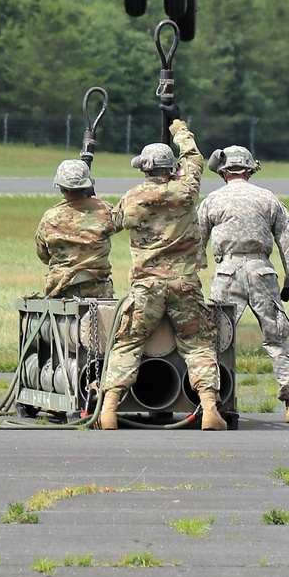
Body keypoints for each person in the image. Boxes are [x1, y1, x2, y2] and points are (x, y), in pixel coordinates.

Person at [98, 120, 225, 431]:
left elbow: (111, 225)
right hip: (185, 284)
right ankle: (209, 409)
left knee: (127, 343)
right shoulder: (187, 189)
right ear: (170, 168)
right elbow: (194, 158)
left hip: (146, 286)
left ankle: (109, 410)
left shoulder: (134, 197)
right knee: (198, 345)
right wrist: (179, 129)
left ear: (145, 169)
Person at [198, 145, 289, 424]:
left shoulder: (212, 200)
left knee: (216, 341)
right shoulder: (268, 199)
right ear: (249, 170)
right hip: (262, 273)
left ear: (223, 172)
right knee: (277, 339)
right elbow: (288, 243)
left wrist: (193, 274)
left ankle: (213, 405)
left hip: (226, 273)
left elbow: (196, 242)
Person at [35, 159, 115, 299]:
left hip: (60, 290)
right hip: (99, 290)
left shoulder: (49, 217)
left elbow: (43, 255)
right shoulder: (105, 210)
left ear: (60, 186)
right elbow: (115, 224)